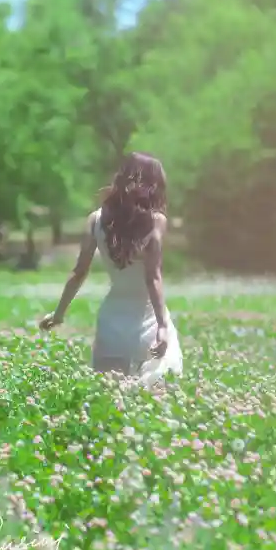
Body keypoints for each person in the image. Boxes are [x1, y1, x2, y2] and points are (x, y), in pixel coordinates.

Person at [39, 151, 183, 383]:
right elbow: (152, 277)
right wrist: (162, 326)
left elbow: (79, 272)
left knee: (109, 398)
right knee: (153, 396)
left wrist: (58, 314)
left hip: (111, 321)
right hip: (146, 321)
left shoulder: (96, 220)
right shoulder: (156, 221)